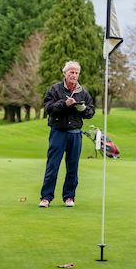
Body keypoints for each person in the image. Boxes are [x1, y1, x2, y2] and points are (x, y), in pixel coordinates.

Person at [39, 61, 95, 207]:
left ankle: (69, 197)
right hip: (58, 131)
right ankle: (46, 197)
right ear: (65, 73)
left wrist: (83, 109)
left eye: (76, 73)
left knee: (73, 166)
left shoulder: (83, 92)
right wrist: (64, 104)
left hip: (75, 133)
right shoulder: (55, 89)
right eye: (71, 72)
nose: (74, 75)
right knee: (53, 165)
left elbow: (90, 112)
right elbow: (48, 108)